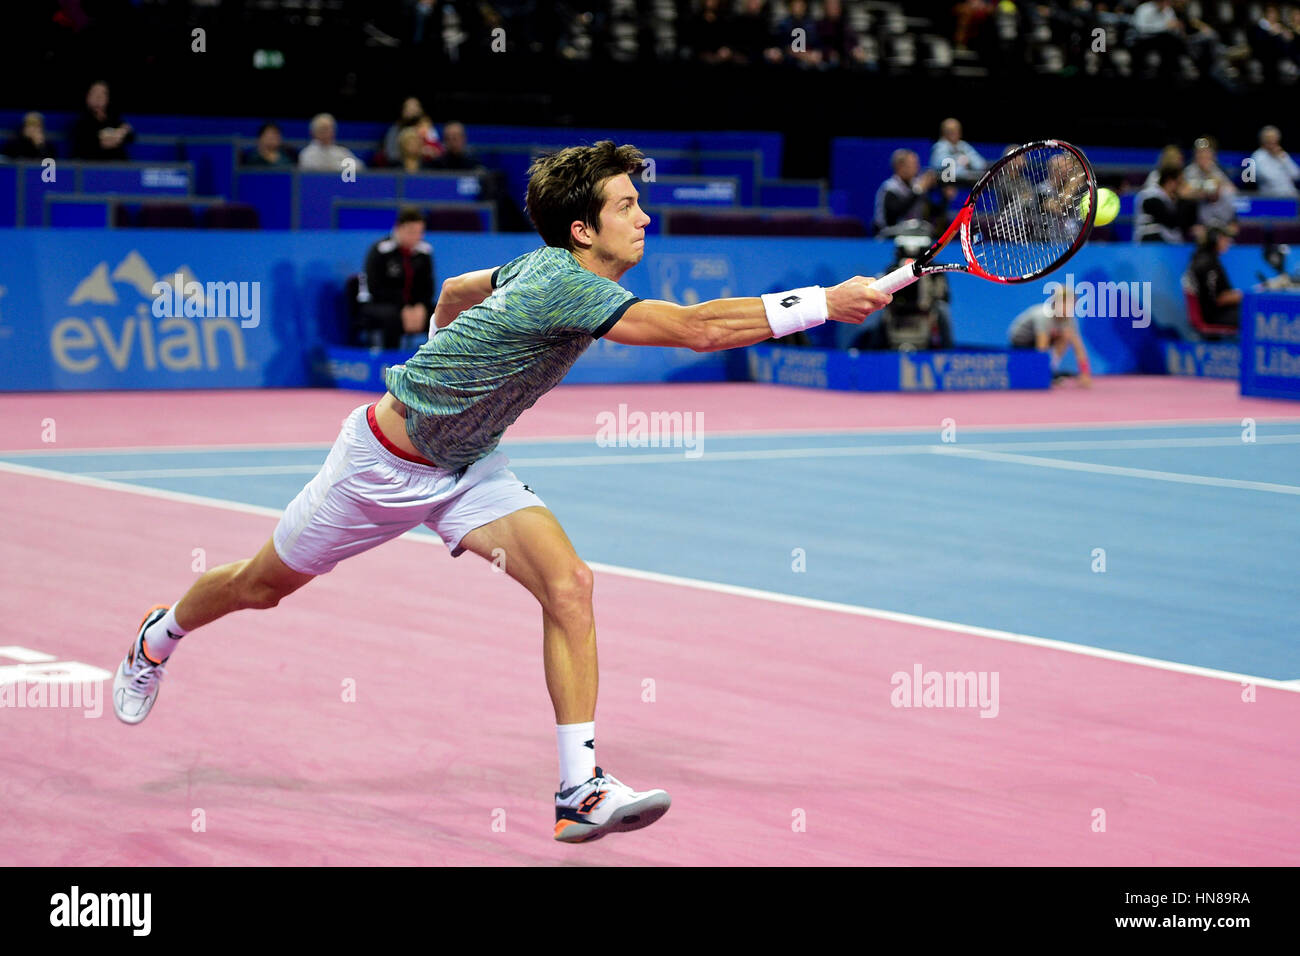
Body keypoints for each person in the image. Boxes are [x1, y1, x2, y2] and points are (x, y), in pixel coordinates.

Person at [110, 140, 892, 843]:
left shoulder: (536, 266)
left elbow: (454, 287)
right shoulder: (566, 285)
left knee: (570, 585)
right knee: (260, 586)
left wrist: (439, 351)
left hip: (469, 468)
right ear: (583, 229)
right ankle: (160, 634)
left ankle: (579, 789)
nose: (644, 217)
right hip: (378, 468)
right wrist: (826, 302)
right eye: (627, 206)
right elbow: (696, 330)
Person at [359, 206, 436, 349]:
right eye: (411, 232)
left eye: (420, 232)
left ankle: (435, 359)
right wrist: (403, 307)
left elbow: (428, 287)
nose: (416, 237)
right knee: (392, 317)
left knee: (441, 312)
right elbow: (375, 288)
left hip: (414, 307)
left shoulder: (424, 253)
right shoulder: (380, 250)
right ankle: (390, 363)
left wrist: (421, 307)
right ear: (398, 229)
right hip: (381, 304)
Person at [1008, 286, 1092, 386]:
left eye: (1071, 304)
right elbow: (1042, 347)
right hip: (1021, 342)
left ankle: (1051, 369)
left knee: (1066, 336)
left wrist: (1085, 374)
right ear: (1055, 303)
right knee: (1054, 338)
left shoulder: (1070, 320)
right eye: (1065, 303)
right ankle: (1045, 373)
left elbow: (1079, 348)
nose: (1069, 307)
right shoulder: (1044, 316)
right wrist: (1041, 376)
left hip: (1042, 340)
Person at [1185, 225, 1242, 329]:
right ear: (1215, 239)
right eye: (1225, 238)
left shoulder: (1208, 260)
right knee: (1253, 318)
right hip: (1215, 315)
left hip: (1220, 312)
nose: (1228, 242)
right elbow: (1218, 299)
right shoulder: (1207, 264)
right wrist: (1245, 296)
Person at [872, 149, 937, 236]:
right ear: (900, 167)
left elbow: (933, 213)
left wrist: (945, 197)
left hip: (915, 235)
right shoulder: (889, 188)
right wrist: (917, 191)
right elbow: (894, 215)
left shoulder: (916, 185)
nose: (917, 168)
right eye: (913, 164)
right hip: (889, 237)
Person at [70, 81, 134, 161]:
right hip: (90, 166)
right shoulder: (81, 122)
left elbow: (130, 135)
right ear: (87, 97)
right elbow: (86, 143)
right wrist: (110, 139)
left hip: (116, 166)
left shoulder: (114, 119)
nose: (98, 97)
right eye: (95, 93)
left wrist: (123, 132)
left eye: (103, 94)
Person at [1182, 135, 1236, 226]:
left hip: (1215, 210)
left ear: (1212, 155)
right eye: (1200, 153)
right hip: (1194, 212)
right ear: (1195, 155)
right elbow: (1183, 193)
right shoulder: (1188, 171)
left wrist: (1211, 177)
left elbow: (1232, 191)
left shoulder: (1218, 170)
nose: (1203, 156)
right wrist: (1200, 192)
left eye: (1206, 153)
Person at [1134, 168, 1191, 242]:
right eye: (1180, 183)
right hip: (1149, 240)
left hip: (1167, 239)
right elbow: (1171, 222)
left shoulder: (1170, 198)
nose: (1182, 187)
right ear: (1170, 182)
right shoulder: (1151, 196)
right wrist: (1183, 199)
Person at [298, 113, 364, 173]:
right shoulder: (307, 153)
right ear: (314, 132)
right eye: (324, 129)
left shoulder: (340, 151)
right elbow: (320, 169)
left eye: (331, 129)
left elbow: (359, 166)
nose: (329, 133)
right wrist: (340, 166)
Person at [1250, 125, 1300, 197]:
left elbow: (1296, 175)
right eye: (1268, 138)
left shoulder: (1282, 154)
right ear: (1262, 140)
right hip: (1271, 197)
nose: (1272, 140)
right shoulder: (1257, 156)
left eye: (1274, 138)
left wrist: (1282, 159)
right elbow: (1269, 178)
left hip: (1291, 194)